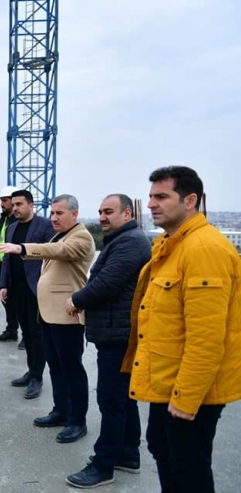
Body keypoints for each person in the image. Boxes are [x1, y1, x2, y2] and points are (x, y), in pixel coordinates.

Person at [121, 166, 241, 493]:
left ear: (190, 200)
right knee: (164, 452)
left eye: (161, 196)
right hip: (168, 380)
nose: (151, 204)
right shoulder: (172, 244)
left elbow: (207, 338)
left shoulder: (203, 250)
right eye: (150, 196)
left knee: (188, 470)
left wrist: (187, 399)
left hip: (192, 391)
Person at [64, 194, 151, 488]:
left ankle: (105, 465)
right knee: (123, 398)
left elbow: (108, 282)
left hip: (119, 333)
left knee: (111, 399)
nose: (102, 216)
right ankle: (128, 454)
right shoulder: (123, 239)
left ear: (127, 214)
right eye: (100, 211)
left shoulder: (130, 242)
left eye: (109, 211)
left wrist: (76, 299)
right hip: (116, 331)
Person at [0, 194, 95, 443]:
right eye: (52, 213)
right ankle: (61, 411)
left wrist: (23, 248)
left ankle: (77, 421)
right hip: (50, 314)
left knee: (71, 369)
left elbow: (59, 252)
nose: (54, 218)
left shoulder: (80, 237)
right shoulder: (58, 234)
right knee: (56, 367)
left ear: (74, 214)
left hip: (67, 315)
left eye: (59, 213)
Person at [0, 190, 55, 399]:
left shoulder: (45, 226)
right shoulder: (12, 228)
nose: (15, 208)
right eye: (13, 205)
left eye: (19, 204)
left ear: (31, 205)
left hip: (37, 288)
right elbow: (7, 258)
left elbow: (51, 252)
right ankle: (31, 370)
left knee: (37, 332)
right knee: (26, 332)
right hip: (17, 288)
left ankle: (37, 377)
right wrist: (4, 284)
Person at [0, 185, 23, 347]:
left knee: (20, 300)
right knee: (6, 298)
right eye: (1, 201)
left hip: (17, 265)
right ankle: (12, 330)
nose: (2, 204)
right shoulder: (4, 219)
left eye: (4, 201)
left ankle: (26, 335)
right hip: (3, 263)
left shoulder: (19, 220)